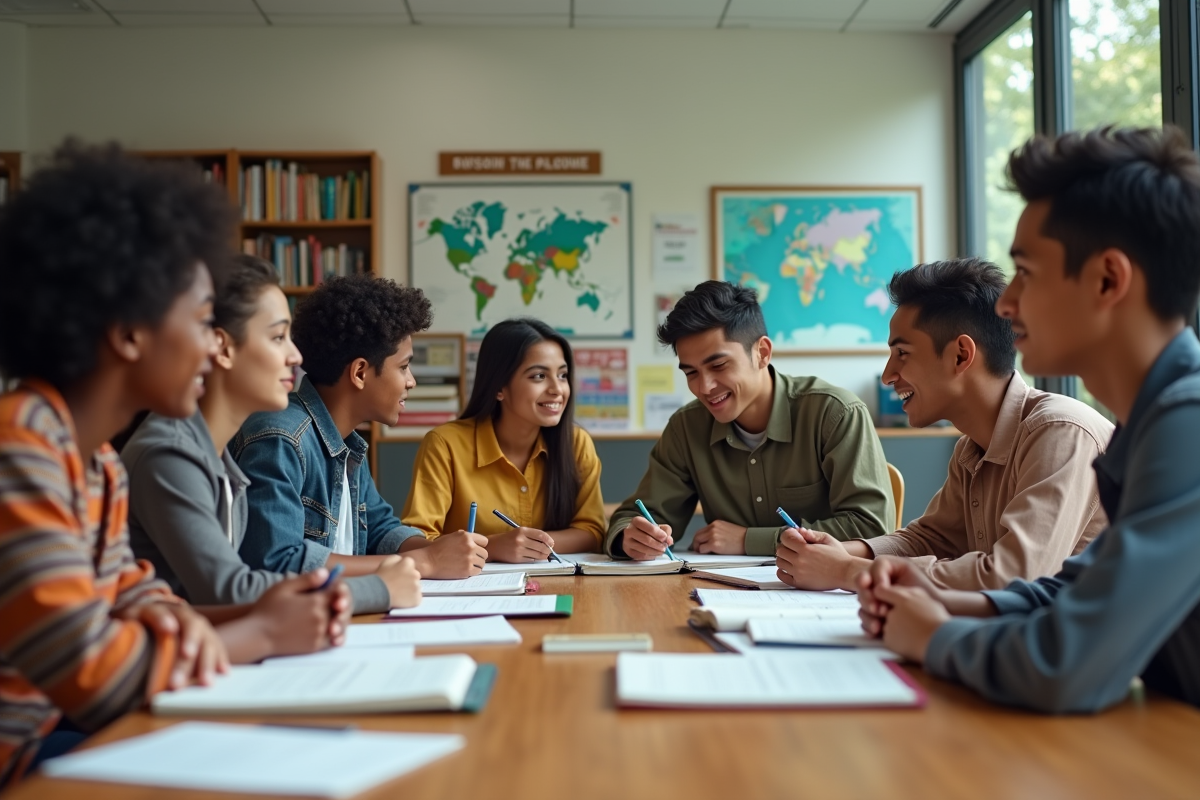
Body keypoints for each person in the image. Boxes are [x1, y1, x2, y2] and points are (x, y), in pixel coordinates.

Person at [0, 143, 348, 785]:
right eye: (201, 322)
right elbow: (99, 676)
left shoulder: (97, 464)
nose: (212, 348)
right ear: (130, 333)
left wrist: (258, 611)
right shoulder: (20, 449)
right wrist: (263, 634)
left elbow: (139, 603)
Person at [859, 125, 1200, 712]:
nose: (1007, 302)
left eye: (1026, 272)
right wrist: (949, 603)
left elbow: (1068, 663)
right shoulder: (1153, 419)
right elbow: (1079, 589)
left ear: (1108, 279)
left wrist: (935, 637)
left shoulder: (1185, 425)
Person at [776, 258, 1112, 591]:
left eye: (902, 353)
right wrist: (839, 553)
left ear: (961, 355)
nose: (888, 375)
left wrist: (848, 571)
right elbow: (930, 539)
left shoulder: (1061, 432)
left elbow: (1014, 576)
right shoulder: (972, 447)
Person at [121, 255, 421, 613]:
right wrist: (380, 587)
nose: (295, 357)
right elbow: (233, 588)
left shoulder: (217, 456)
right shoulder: (172, 454)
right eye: (278, 337)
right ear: (223, 348)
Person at [606, 280, 893, 561]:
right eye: (691, 373)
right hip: (721, 588)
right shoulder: (686, 427)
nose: (704, 387)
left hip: (828, 586)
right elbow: (635, 517)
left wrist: (748, 540)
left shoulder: (835, 413)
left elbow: (872, 527)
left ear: (762, 353)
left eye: (718, 365)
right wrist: (632, 538)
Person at [233, 274, 487, 580]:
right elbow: (276, 561)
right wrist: (426, 562)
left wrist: (441, 551)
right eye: (404, 367)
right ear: (360, 373)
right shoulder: (280, 439)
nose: (411, 381)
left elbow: (380, 529)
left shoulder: (346, 442)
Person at [402, 318, 605, 562]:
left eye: (562, 375)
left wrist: (528, 545)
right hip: (471, 583)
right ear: (499, 387)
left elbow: (592, 532)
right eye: (539, 376)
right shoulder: (445, 444)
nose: (557, 389)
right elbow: (417, 540)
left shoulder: (576, 443)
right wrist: (494, 547)